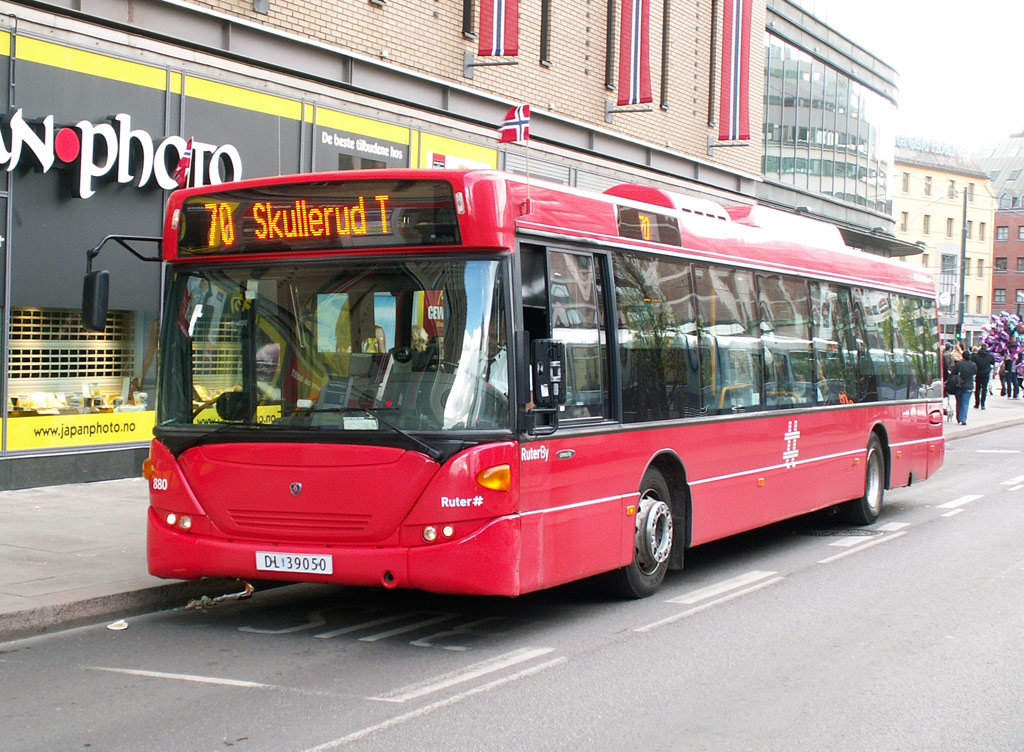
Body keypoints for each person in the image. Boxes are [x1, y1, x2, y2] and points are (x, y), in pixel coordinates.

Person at [948, 348, 976, 425]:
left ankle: (959, 418)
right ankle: (963, 418)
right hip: (969, 386)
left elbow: (953, 373)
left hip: (959, 385)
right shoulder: (973, 365)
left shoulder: (959, 364)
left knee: (959, 402)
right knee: (965, 403)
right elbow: (974, 373)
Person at [971, 342, 996, 410]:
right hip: (986, 373)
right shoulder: (989, 355)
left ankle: (977, 403)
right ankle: (983, 404)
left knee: (977, 388)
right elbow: (993, 362)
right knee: (984, 389)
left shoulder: (976, 356)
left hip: (978, 373)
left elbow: (973, 362)